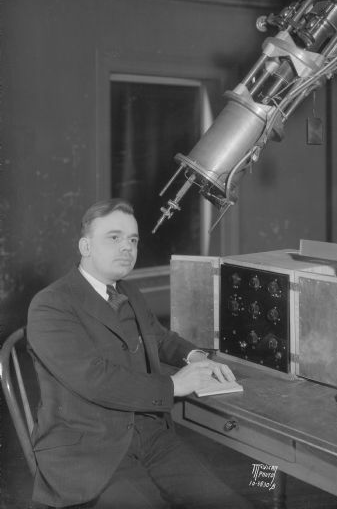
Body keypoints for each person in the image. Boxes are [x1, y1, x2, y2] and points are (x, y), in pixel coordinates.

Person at [27, 198, 254, 509]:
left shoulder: (128, 291)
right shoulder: (51, 304)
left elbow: (159, 338)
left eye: (133, 240)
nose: (127, 248)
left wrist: (196, 357)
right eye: (114, 238)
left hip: (149, 434)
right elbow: (96, 380)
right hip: (89, 451)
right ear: (85, 247)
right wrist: (175, 385)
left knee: (230, 504)